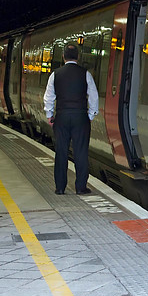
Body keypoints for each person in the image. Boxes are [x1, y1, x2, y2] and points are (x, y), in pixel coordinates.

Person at [43, 43, 99, 195]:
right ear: (78, 57)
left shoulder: (55, 74)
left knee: (61, 152)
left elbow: (48, 98)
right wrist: (90, 115)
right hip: (80, 116)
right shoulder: (85, 74)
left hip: (61, 116)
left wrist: (50, 115)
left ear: (63, 57)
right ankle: (81, 187)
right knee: (81, 152)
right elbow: (93, 97)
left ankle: (60, 188)